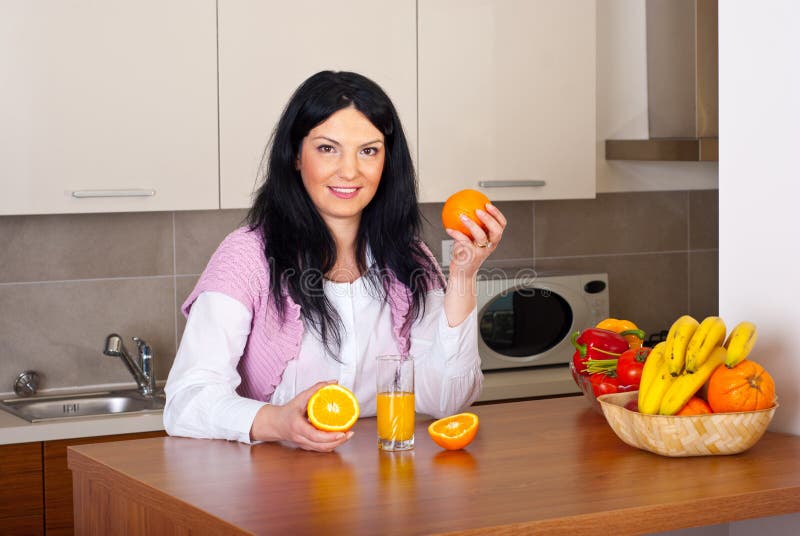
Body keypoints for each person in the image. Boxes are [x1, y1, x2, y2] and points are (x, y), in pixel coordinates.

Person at [163, 70, 506, 452]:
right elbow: (186, 401)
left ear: (387, 161)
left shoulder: (409, 258)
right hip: (272, 490)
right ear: (295, 155)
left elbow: (445, 399)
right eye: (327, 148)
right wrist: (277, 422)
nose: (349, 171)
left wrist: (463, 276)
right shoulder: (246, 257)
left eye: (369, 151)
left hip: (385, 487)